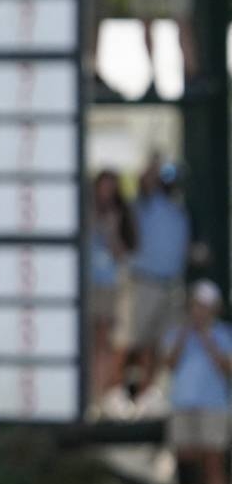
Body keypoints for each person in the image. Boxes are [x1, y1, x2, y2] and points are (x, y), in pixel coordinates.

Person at [161, 279, 232, 484]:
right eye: (195, 305)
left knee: (214, 467)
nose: (198, 310)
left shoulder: (224, 333)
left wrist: (207, 338)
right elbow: (169, 364)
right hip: (182, 406)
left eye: (203, 306)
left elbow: (227, 367)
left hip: (213, 407)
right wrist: (185, 334)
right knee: (186, 470)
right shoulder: (177, 333)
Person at [127, 156, 190, 414]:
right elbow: (145, 182)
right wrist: (156, 158)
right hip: (146, 282)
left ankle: (151, 395)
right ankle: (127, 395)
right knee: (137, 341)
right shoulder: (146, 205)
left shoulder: (180, 211)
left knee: (164, 344)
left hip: (171, 287)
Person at [87, 169, 138, 418]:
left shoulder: (120, 216)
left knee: (107, 341)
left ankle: (102, 392)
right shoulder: (84, 212)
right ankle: (94, 392)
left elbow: (122, 253)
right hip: (88, 285)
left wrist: (111, 231)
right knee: (93, 340)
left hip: (109, 285)